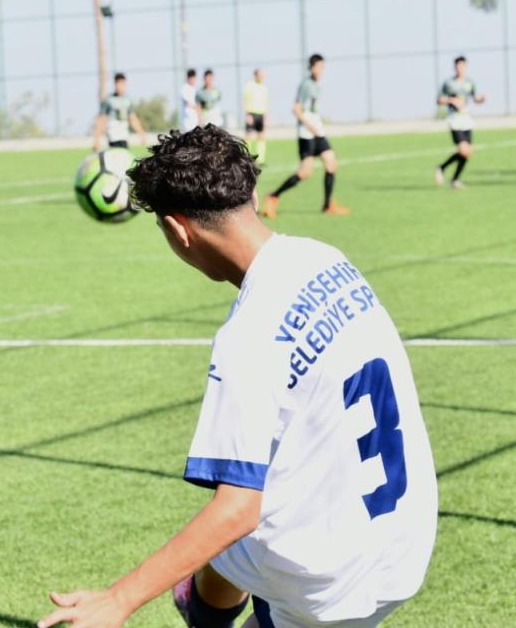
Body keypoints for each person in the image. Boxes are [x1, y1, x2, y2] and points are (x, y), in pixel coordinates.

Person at [37, 125, 438, 628]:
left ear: (178, 231)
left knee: (230, 530)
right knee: (232, 547)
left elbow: (237, 511)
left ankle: (206, 614)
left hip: (328, 584)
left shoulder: (247, 337)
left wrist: (118, 599)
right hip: (405, 539)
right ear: (248, 191)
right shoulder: (325, 258)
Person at [263, 54, 349, 217]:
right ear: (311, 67)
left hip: (318, 132)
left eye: (323, 67)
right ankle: (273, 196)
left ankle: (327, 205)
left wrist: (317, 125)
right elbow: (296, 109)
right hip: (307, 134)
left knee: (331, 164)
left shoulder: (316, 85)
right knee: (305, 172)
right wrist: (310, 126)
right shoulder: (306, 85)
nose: (321, 70)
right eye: (319, 67)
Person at [434, 56, 486, 189]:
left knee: (467, 152)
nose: (460, 68)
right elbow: (439, 100)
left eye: (463, 66)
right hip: (454, 119)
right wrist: (452, 100)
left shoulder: (469, 82)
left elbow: (475, 98)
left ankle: (454, 179)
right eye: (458, 66)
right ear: (455, 67)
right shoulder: (449, 83)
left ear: (466, 66)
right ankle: (442, 167)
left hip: (466, 119)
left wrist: (481, 99)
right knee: (463, 150)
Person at [94, 73, 146, 151]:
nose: (121, 87)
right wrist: (96, 139)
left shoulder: (128, 100)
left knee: (124, 157)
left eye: (123, 84)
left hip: (124, 136)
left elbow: (132, 118)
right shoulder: (109, 100)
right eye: (119, 84)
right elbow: (101, 119)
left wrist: (141, 133)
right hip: (113, 136)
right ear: (115, 84)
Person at [243, 69, 269, 165]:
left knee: (261, 137)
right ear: (255, 75)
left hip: (261, 114)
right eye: (260, 75)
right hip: (251, 114)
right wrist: (247, 115)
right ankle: (247, 158)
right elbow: (245, 101)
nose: (262, 77)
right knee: (249, 136)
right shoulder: (249, 86)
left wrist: (266, 117)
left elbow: (266, 103)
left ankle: (261, 160)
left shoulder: (264, 87)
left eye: (263, 75)